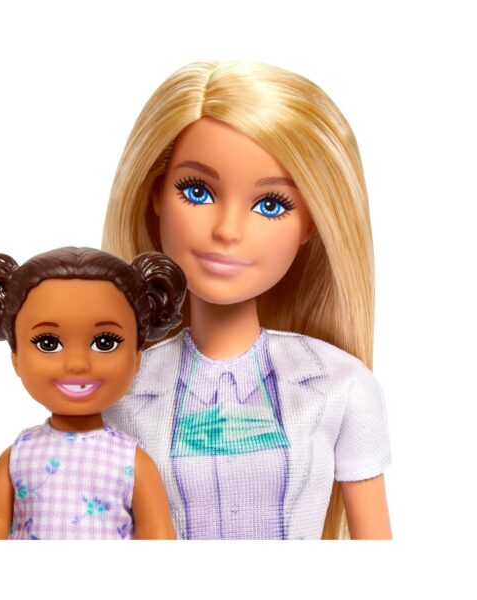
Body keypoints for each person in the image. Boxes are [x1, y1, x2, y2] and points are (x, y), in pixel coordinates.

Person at [102, 61, 392, 540]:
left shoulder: (340, 385)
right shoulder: (121, 390)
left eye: (271, 205)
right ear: (155, 197)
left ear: (311, 223)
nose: (228, 230)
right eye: (197, 191)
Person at [0, 247, 186, 539]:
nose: (77, 364)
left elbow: (156, 529)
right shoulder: (19, 454)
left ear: (136, 358)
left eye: (105, 342)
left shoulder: (131, 460)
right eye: (48, 343)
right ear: (16, 358)